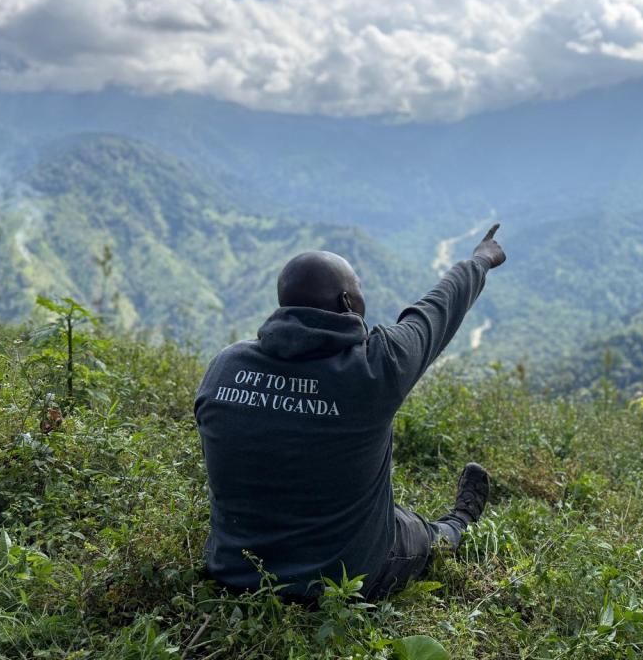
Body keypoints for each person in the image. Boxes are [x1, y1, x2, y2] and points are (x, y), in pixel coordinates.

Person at [194, 224, 507, 601]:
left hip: (232, 572)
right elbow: (434, 312)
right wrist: (480, 261)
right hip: (342, 582)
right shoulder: (376, 367)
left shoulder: (225, 366)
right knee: (415, 532)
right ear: (347, 302)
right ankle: (459, 522)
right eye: (359, 288)